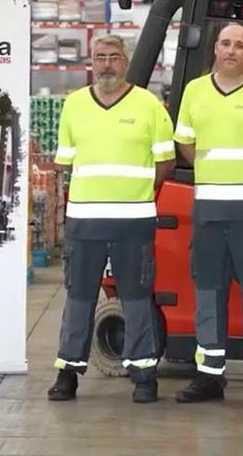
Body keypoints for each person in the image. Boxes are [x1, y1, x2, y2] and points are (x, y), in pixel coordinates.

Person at [48, 34, 176, 404]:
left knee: (136, 297)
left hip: (133, 221)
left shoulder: (149, 105)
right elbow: (65, 163)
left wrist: (132, 193)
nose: (107, 64)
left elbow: (164, 162)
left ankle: (144, 375)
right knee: (79, 297)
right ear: (91, 62)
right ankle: (68, 373)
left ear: (126, 62)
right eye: (100, 57)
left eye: (115, 57)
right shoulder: (74, 106)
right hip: (85, 221)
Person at [172, 23, 243, 406]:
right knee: (208, 294)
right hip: (208, 211)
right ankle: (209, 377)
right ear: (215, 48)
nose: (231, 51)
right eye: (225, 43)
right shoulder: (194, 91)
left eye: (240, 45)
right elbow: (186, 145)